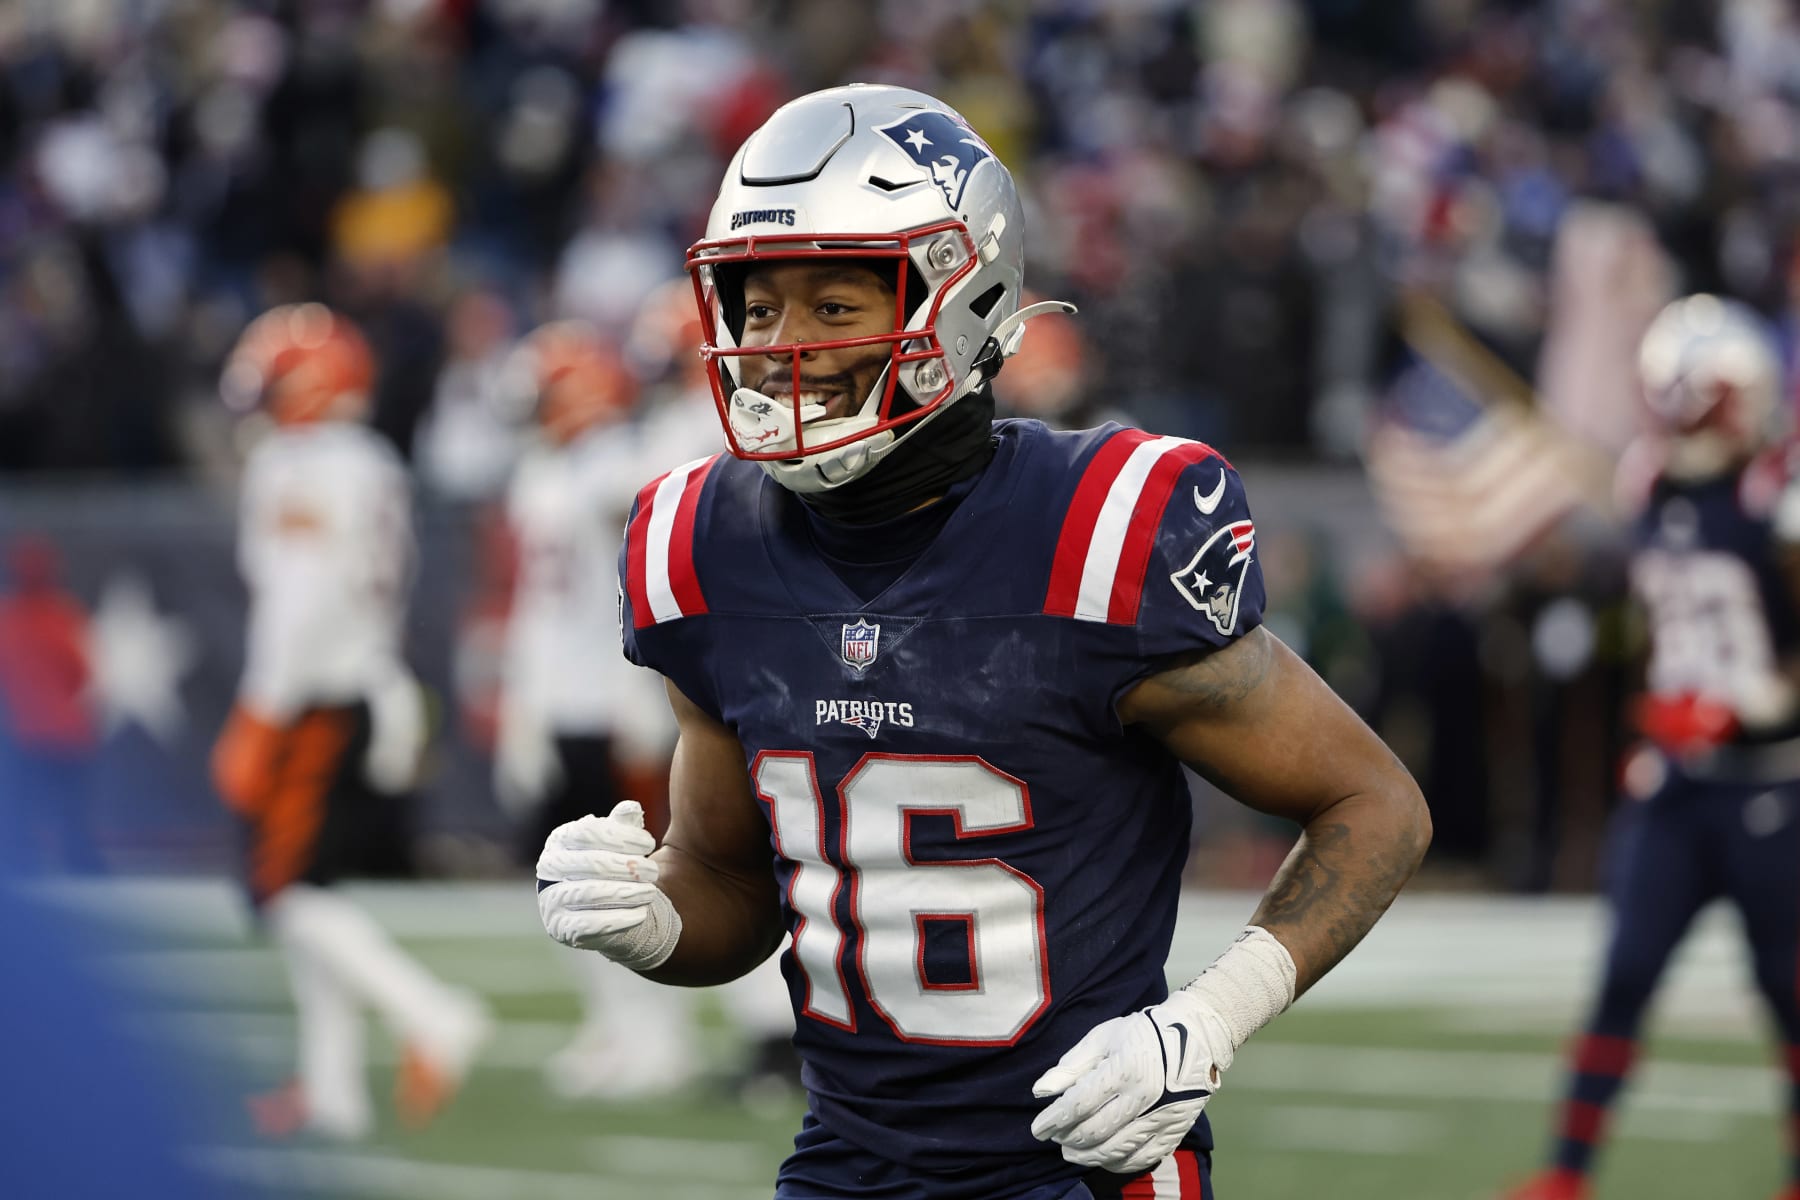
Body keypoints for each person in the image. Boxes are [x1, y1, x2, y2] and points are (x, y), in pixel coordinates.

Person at [535, 84, 1431, 1199]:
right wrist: (655, 918)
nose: (778, 347)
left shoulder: (1097, 530)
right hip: (845, 1166)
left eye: (831, 304)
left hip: (1083, 1170)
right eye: (759, 307)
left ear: (960, 300)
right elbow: (730, 883)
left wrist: (1209, 1018)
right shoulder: (701, 546)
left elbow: (1374, 802)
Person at [1504, 294, 1800, 1200]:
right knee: (1625, 972)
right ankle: (1565, 1177)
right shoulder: (1649, 483)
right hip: (1676, 781)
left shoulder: (1777, 498)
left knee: (1788, 993)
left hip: (1775, 785)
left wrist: (1752, 709)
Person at [211, 302, 491, 1141]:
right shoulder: (367, 460)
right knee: (312, 887)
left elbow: (301, 601)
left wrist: (260, 711)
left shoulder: (300, 464)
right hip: (360, 684)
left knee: (278, 890)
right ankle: (332, 1089)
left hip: (318, 698)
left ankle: (434, 1013)